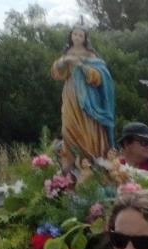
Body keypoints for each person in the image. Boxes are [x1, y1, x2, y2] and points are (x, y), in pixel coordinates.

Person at [51, 26, 115, 164]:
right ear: (71, 36)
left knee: (88, 127)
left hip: (87, 98)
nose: (77, 37)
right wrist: (64, 61)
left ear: (85, 38)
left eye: (81, 35)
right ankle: (70, 164)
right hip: (70, 95)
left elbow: (100, 76)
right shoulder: (67, 53)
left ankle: (92, 162)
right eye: (75, 34)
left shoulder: (90, 55)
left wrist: (80, 65)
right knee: (68, 126)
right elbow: (57, 73)